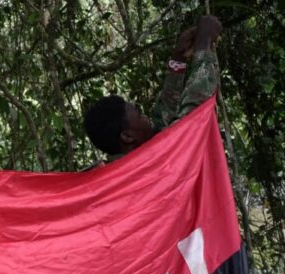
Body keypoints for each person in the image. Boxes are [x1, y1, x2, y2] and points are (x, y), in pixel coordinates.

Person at [83, 15, 223, 166]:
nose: (145, 117)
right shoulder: (146, 166)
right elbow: (194, 118)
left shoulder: (121, 167)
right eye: (138, 114)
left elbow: (162, 122)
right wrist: (204, 44)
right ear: (128, 136)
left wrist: (178, 60)